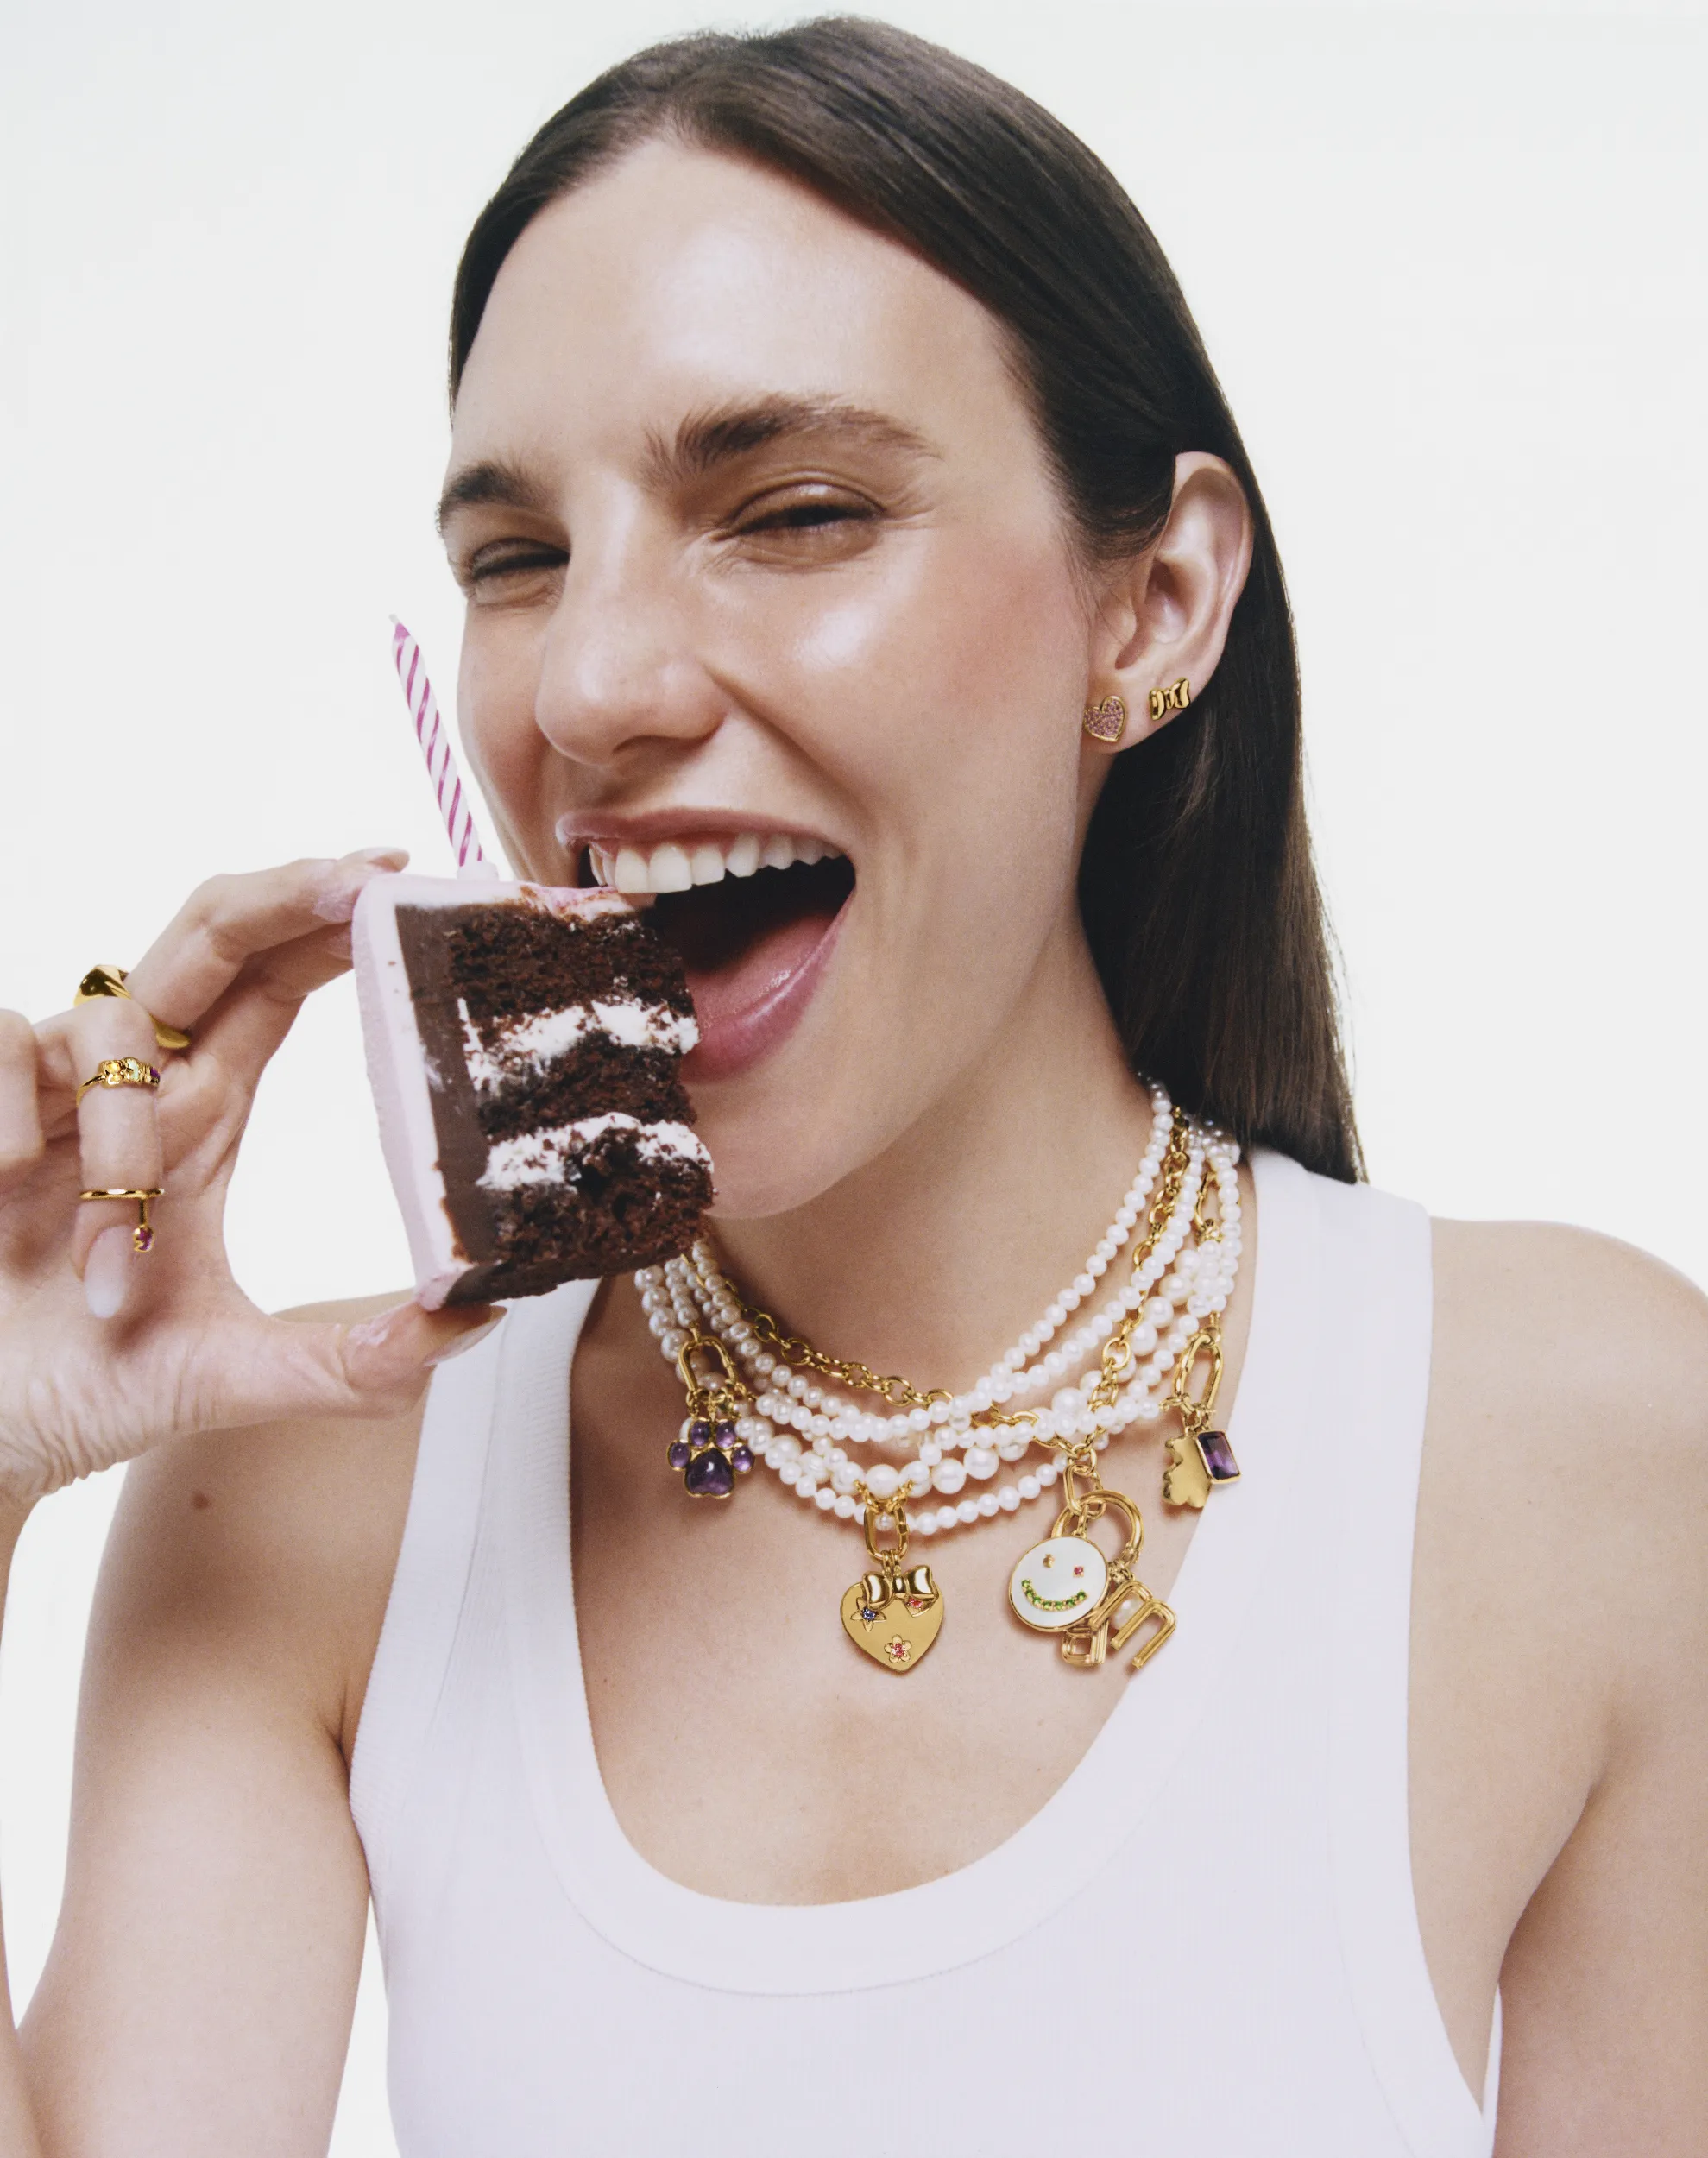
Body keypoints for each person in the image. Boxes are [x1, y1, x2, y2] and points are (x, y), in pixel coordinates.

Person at [1, 19, 1702, 2156]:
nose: (592, 686)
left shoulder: (1593, 1449)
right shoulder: (314, 1501)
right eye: (516, 557)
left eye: (791, 511)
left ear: (1152, 602)